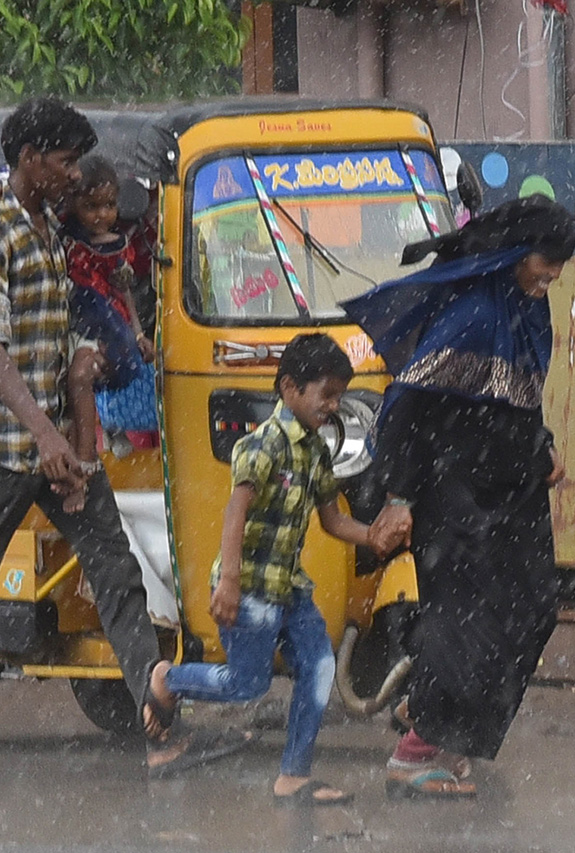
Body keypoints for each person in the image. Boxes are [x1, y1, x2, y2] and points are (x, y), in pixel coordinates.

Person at [0, 97, 243, 773]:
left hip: (64, 454)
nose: (76, 176)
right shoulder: (1, 228)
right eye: (64, 161)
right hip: (15, 448)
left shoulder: (48, 226)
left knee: (116, 575)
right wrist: (49, 436)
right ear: (27, 159)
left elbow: (52, 331)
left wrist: (81, 373)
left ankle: (157, 727)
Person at [344, 194, 575, 798]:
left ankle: (432, 720)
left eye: (557, 268)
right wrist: (399, 496)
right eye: (544, 264)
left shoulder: (529, 309)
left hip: (513, 490)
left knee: (532, 609)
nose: (551, 277)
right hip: (455, 492)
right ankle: (416, 750)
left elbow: (522, 396)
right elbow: (407, 410)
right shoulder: (473, 313)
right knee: (467, 624)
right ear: (516, 254)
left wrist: (543, 445)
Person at [142, 333, 399, 803]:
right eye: (326, 395)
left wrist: (373, 536)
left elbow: (332, 518)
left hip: (290, 589)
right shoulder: (262, 446)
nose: (334, 405)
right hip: (250, 587)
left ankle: (294, 774)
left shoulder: (316, 452)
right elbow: (235, 512)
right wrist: (230, 585)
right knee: (248, 683)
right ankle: (168, 678)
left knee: (320, 667)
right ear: (289, 389)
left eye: (340, 395)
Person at [60, 152, 154, 512]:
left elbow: (124, 289)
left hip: (102, 316)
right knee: (77, 383)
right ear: (73, 205)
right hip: (75, 314)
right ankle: (82, 460)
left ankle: (87, 460)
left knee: (93, 373)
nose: (102, 214)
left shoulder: (117, 245)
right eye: (91, 206)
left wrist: (138, 330)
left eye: (109, 205)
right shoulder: (65, 238)